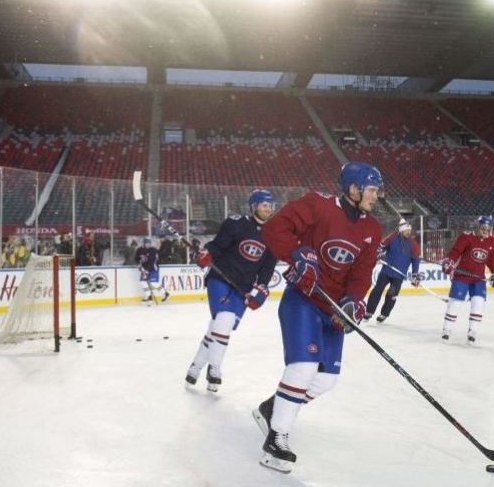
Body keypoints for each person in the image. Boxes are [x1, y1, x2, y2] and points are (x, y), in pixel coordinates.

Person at [251, 162, 382, 473]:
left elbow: (361, 274)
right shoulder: (317, 205)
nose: (376, 196)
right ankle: (277, 437)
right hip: (303, 301)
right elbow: (274, 229)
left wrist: (354, 302)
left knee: (326, 380)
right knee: (304, 366)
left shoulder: (372, 229)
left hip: (333, 309)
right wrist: (297, 253)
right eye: (373, 190)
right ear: (354, 188)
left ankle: (272, 409)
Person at [185, 189, 278, 392]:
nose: (268, 209)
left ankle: (195, 366)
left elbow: (267, 267)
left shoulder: (273, 234)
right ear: (253, 206)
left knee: (218, 327)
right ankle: (214, 368)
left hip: (243, 289)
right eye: (264, 204)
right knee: (225, 320)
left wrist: (262, 286)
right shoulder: (236, 223)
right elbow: (217, 246)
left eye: (270, 205)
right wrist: (207, 252)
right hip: (220, 279)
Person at [440, 216, 494, 343]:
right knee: (456, 302)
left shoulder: (491, 242)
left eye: (488, 229)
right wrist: (449, 262)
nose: (485, 231)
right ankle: (447, 329)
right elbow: (455, 252)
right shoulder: (466, 236)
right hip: (462, 277)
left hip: (478, 279)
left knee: (478, 302)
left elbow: (493, 262)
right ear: (477, 226)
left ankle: (472, 331)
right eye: (483, 228)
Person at [364, 218, 421, 323]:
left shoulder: (413, 244)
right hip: (386, 271)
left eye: (409, 231)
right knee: (377, 290)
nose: (408, 232)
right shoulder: (392, 237)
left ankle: (384, 314)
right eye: (406, 230)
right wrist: (377, 254)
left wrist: (415, 276)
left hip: (398, 276)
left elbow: (415, 261)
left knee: (391, 294)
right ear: (401, 230)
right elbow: (381, 247)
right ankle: (369, 311)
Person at [135, 237, 170, 304]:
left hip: (153, 269)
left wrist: (146, 271)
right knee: (143, 282)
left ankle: (165, 293)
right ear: (144, 243)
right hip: (144, 269)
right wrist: (140, 267)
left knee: (153, 283)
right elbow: (136, 259)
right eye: (147, 243)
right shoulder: (139, 250)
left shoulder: (153, 250)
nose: (149, 245)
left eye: (149, 243)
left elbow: (152, 261)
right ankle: (149, 296)